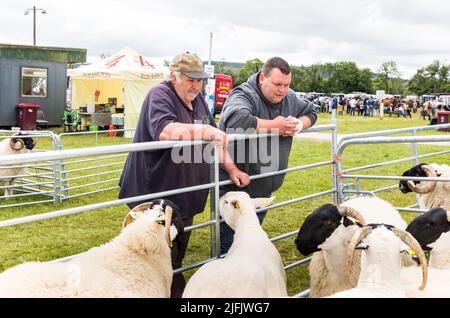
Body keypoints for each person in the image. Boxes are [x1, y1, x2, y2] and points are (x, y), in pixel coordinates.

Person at [118, 51, 249, 298]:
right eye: (190, 79)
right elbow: (166, 132)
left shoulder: (198, 99)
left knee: (175, 251)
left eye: (199, 80)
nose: (196, 85)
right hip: (154, 193)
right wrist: (207, 130)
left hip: (184, 197)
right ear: (173, 75)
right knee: (151, 256)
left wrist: (231, 168)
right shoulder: (160, 95)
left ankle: (170, 284)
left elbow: (214, 140)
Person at [217, 57, 318, 254]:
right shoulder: (244, 95)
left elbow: (312, 111)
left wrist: (299, 124)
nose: (282, 90)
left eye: (287, 85)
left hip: (264, 187)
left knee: (250, 240)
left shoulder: (289, 97)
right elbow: (236, 120)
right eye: (277, 84)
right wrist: (276, 126)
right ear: (262, 77)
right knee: (230, 247)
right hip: (236, 188)